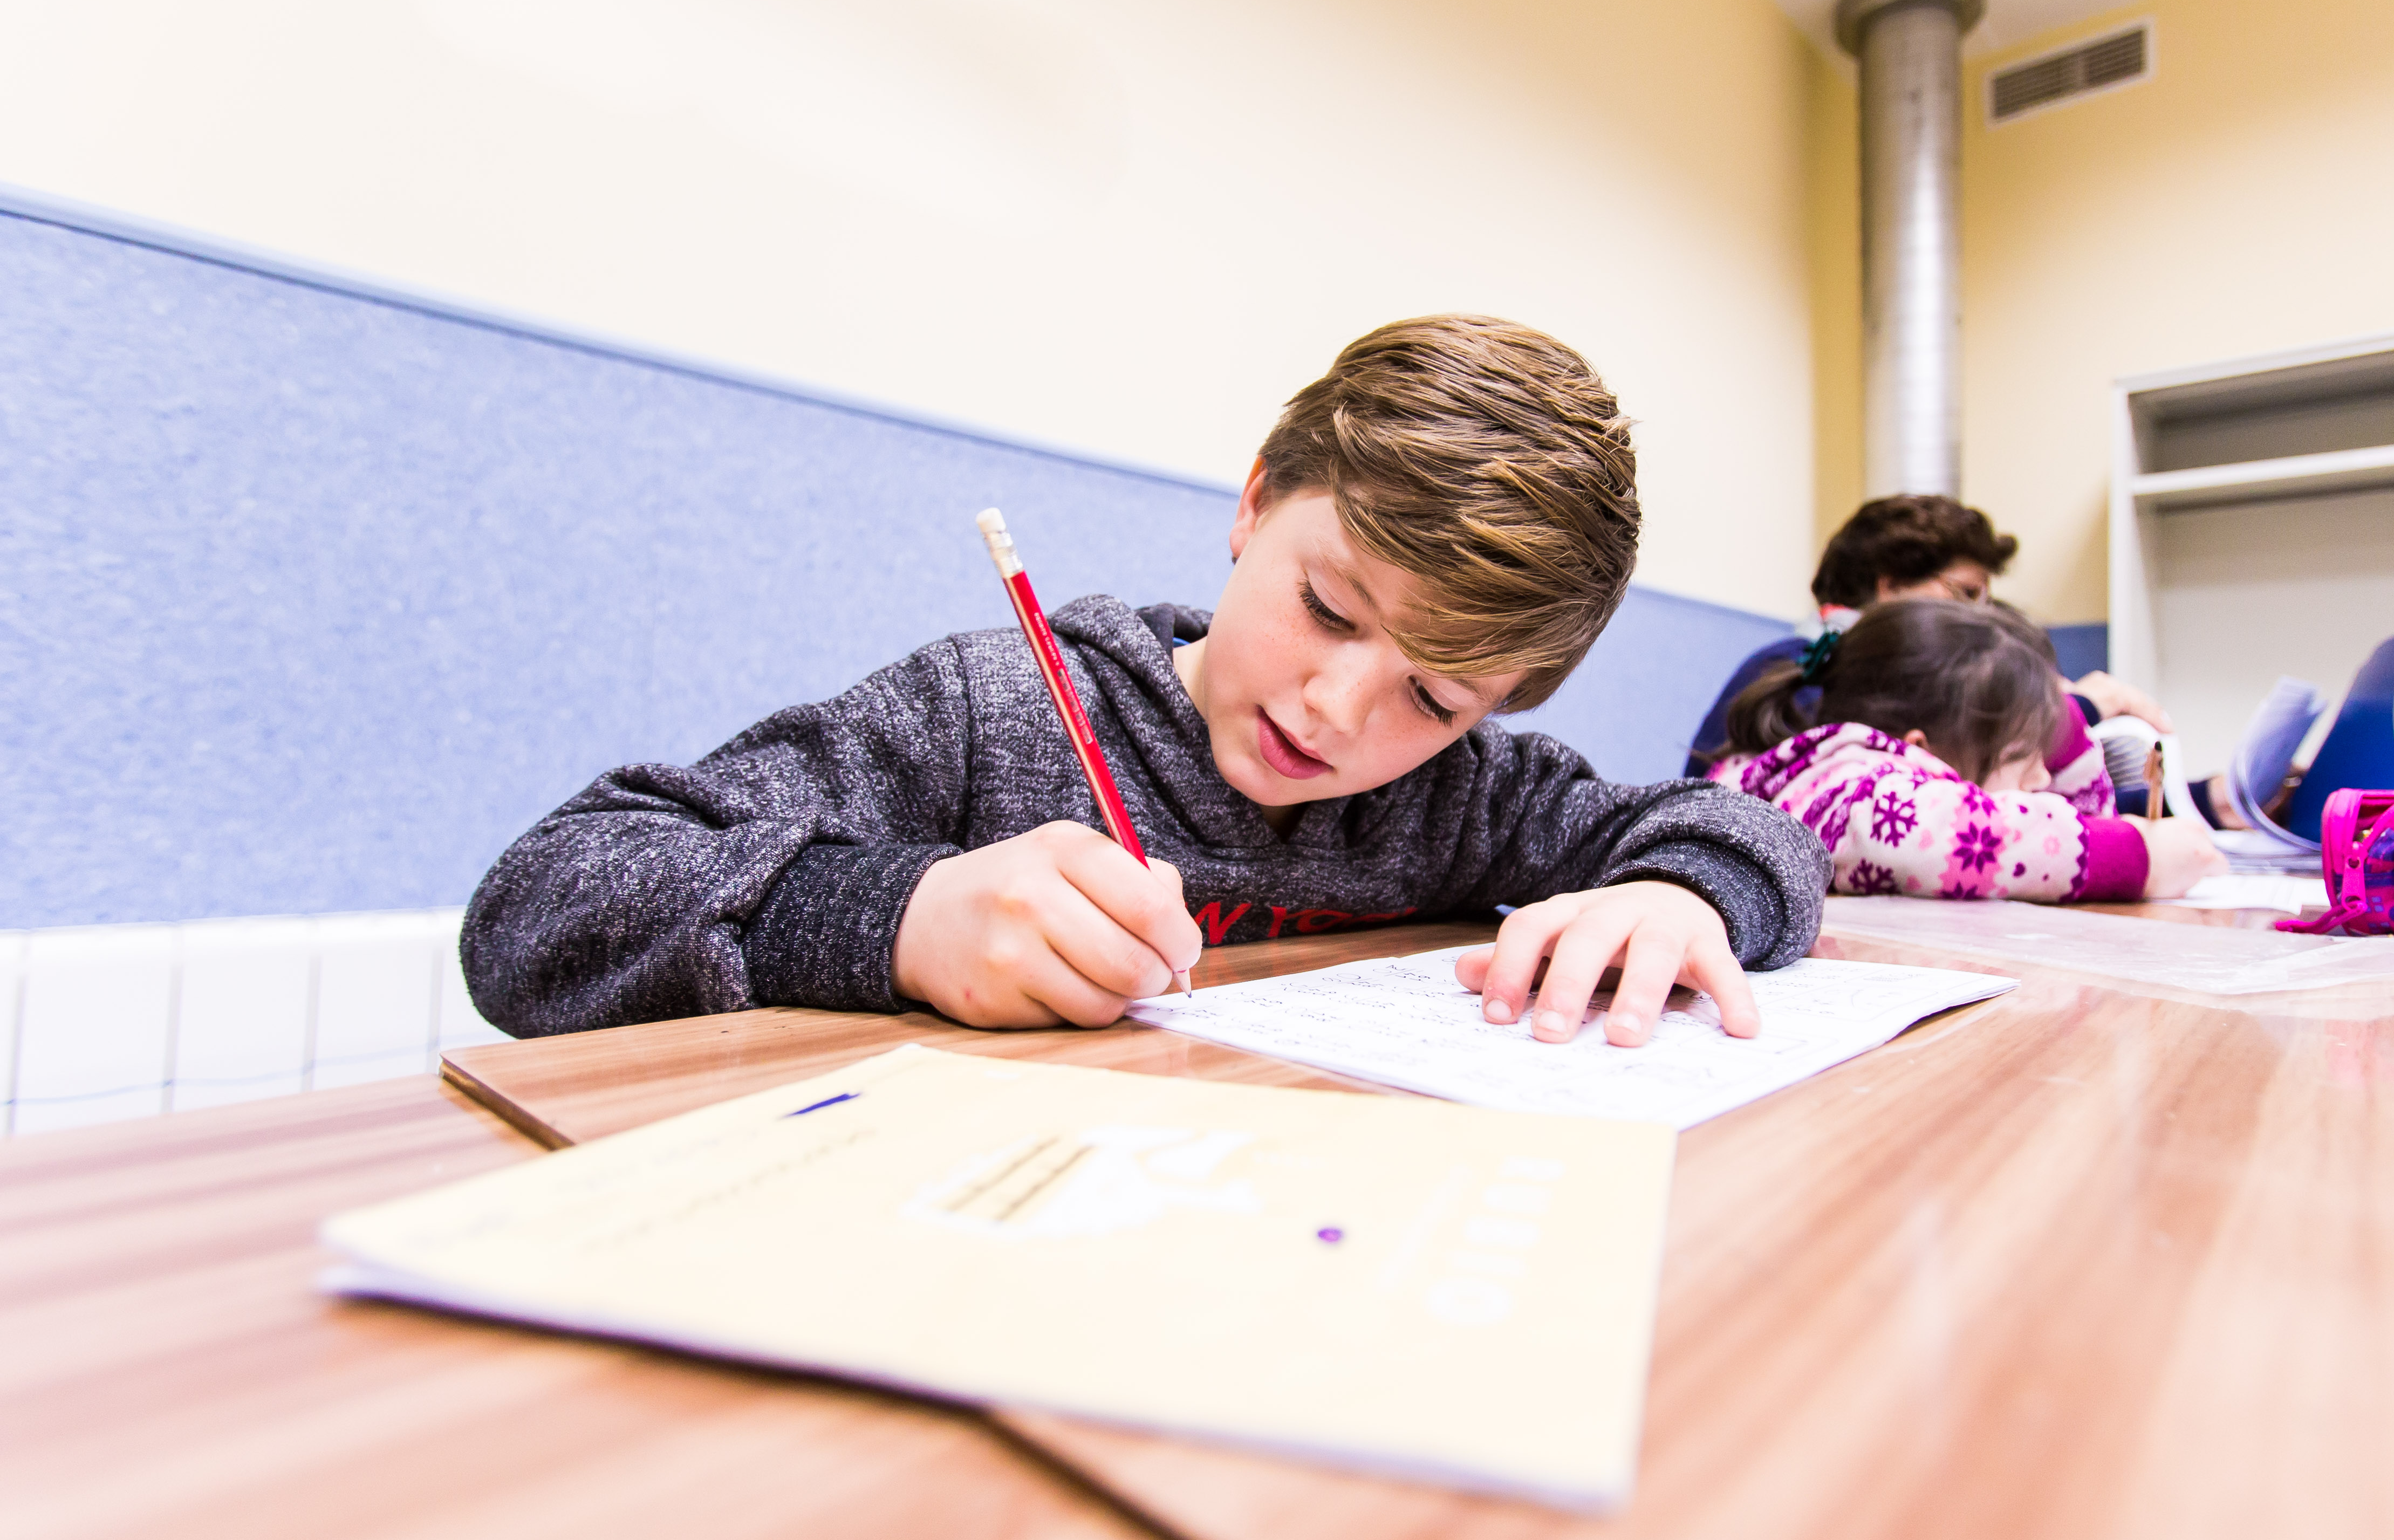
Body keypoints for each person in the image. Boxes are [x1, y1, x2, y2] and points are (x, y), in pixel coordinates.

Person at [462, 316, 1830, 1051]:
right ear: (1253, 502)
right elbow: (539, 905)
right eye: (1327, 606)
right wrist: (898, 915)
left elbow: (1748, 826)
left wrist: (1672, 893)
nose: (1339, 712)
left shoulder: (1459, 798)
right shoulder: (992, 712)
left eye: (1436, 695)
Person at [1704, 598, 2220, 902]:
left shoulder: (1818, 764)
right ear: (1921, 751)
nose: (2043, 780)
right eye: (2024, 756)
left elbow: (2086, 812)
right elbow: (1955, 834)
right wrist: (2139, 857)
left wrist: (2063, 724)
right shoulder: (1854, 782)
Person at [1682, 495, 2168, 775]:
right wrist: (2069, 713)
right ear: (1891, 585)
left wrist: (2206, 803)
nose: (1982, 617)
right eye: (1967, 593)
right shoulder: (1796, 667)